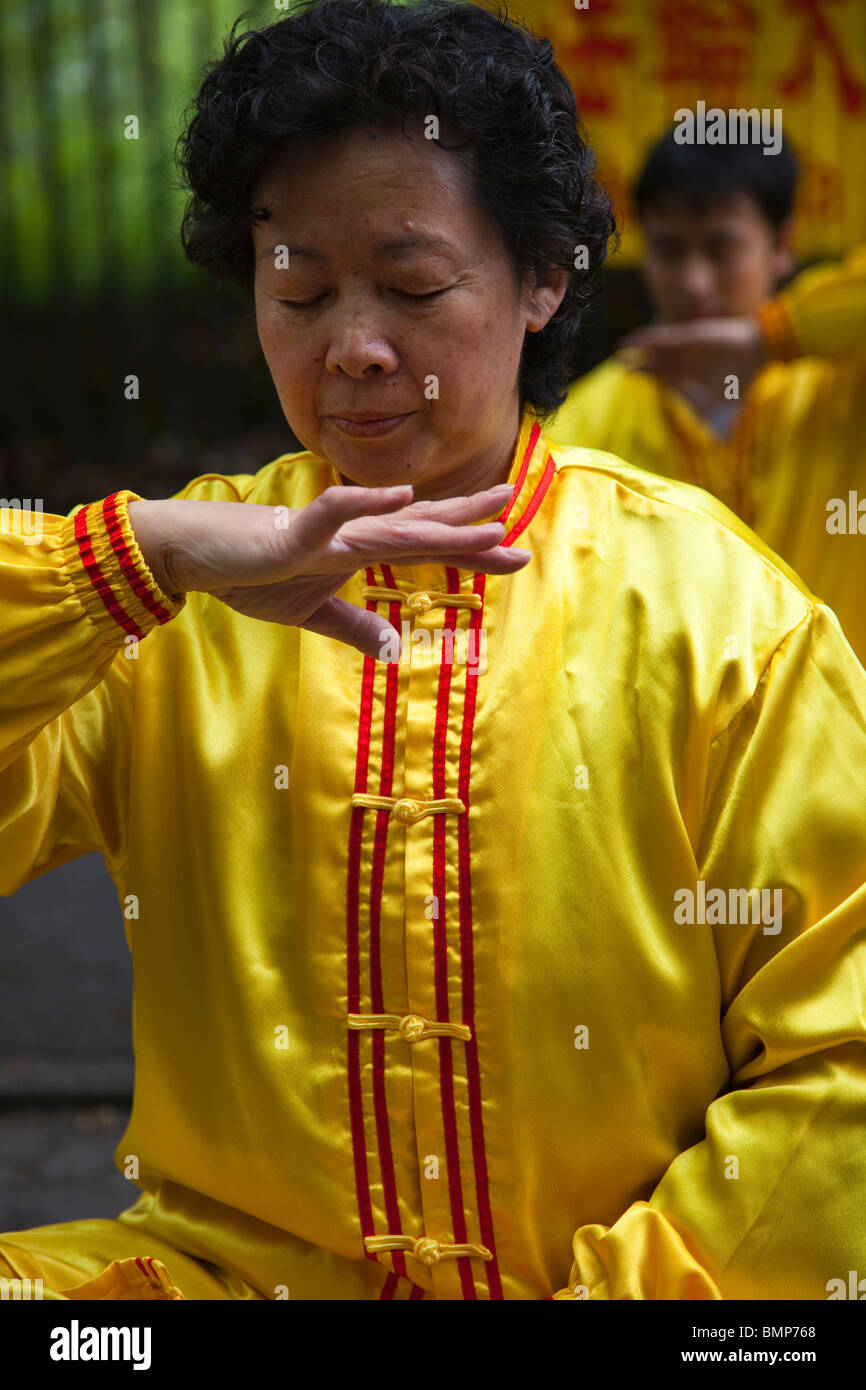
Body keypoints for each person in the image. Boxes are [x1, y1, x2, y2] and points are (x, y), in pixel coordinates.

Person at [1, 0, 866, 1301]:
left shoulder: (720, 612)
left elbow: (841, 1052)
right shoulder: (167, 593)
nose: (350, 346)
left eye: (411, 286)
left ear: (542, 278)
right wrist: (126, 562)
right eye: (295, 287)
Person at [546, 129, 866, 668]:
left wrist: (771, 339)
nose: (695, 283)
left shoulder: (841, 389)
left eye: (722, 249)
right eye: (670, 250)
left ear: (782, 245)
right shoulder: (579, 424)